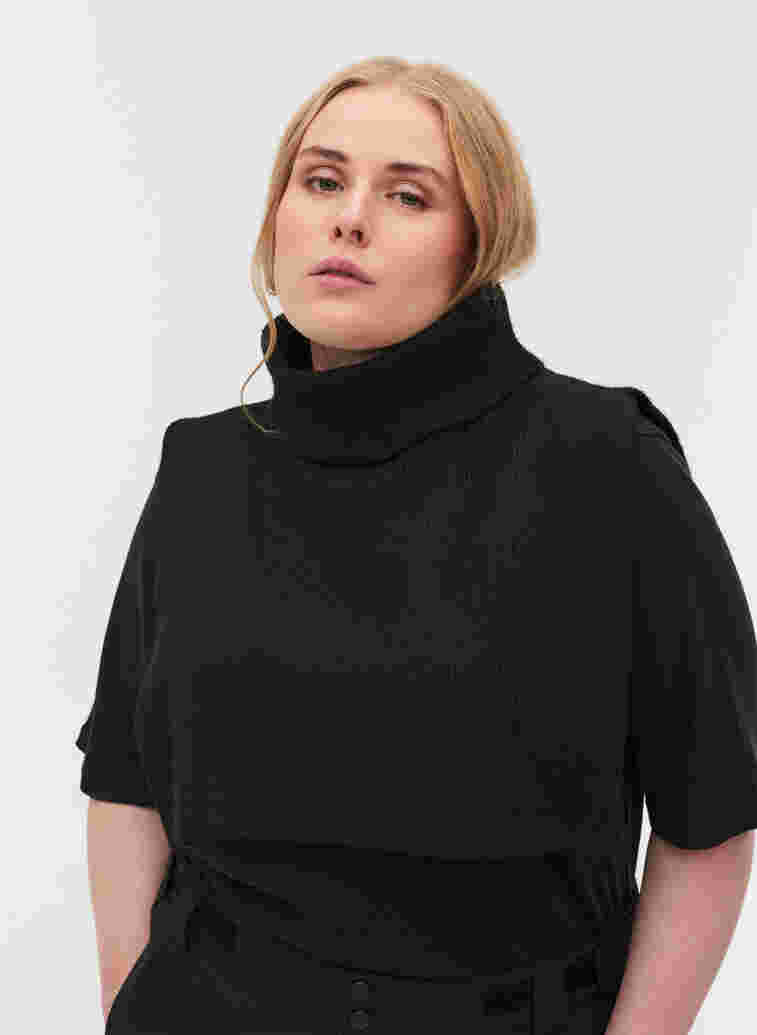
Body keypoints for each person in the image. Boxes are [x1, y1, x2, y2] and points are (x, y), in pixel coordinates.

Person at [76, 57, 757, 1034]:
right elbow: (123, 782)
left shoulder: (606, 462)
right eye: (321, 180)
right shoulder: (203, 468)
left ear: (478, 244)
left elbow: (711, 816)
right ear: (277, 217)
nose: (349, 219)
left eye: (407, 195)